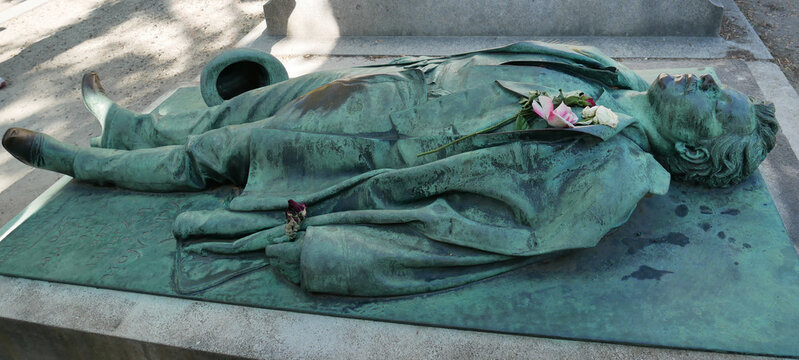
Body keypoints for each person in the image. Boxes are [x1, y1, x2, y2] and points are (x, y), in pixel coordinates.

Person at [2, 42, 778, 296]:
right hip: (402, 80)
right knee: (256, 105)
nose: (706, 82)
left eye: (718, 106)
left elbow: (478, 237)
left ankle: (87, 163)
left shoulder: (612, 173)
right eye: (719, 84)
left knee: (229, 153)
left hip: (384, 142)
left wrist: (341, 256)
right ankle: (132, 124)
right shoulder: (606, 74)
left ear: (697, 153)